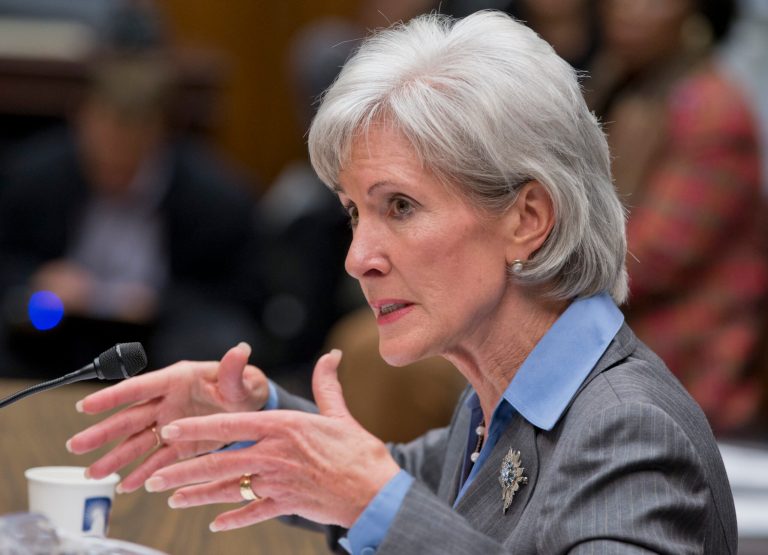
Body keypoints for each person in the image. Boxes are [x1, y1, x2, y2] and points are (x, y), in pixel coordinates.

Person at [66, 11, 737, 554]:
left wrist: (373, 502)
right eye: (356, 212)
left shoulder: (633, 432)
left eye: (401, 206)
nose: (358, 256)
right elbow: (411, 484)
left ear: (527, 219)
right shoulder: (501, 398)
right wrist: (252, 423)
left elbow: (392, 500)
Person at [0, 55, 265, 377]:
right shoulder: (33, 175)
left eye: (127, 152)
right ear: (81, 121)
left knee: (214, 343)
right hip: (58, 322)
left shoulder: (218, 200)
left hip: (160, 331)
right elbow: (8, 257)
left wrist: (159, 301)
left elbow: (242, 294)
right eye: (102, 148)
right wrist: (38, 279)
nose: (112, 163)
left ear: (159, 135)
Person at [585, 0, 768, 434]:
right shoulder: (622, 83)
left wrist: (520, 269)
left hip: (684, 368)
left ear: (695, 10)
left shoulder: (713, 111)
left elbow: (642, 262)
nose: (632, 10)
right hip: (610, 343)